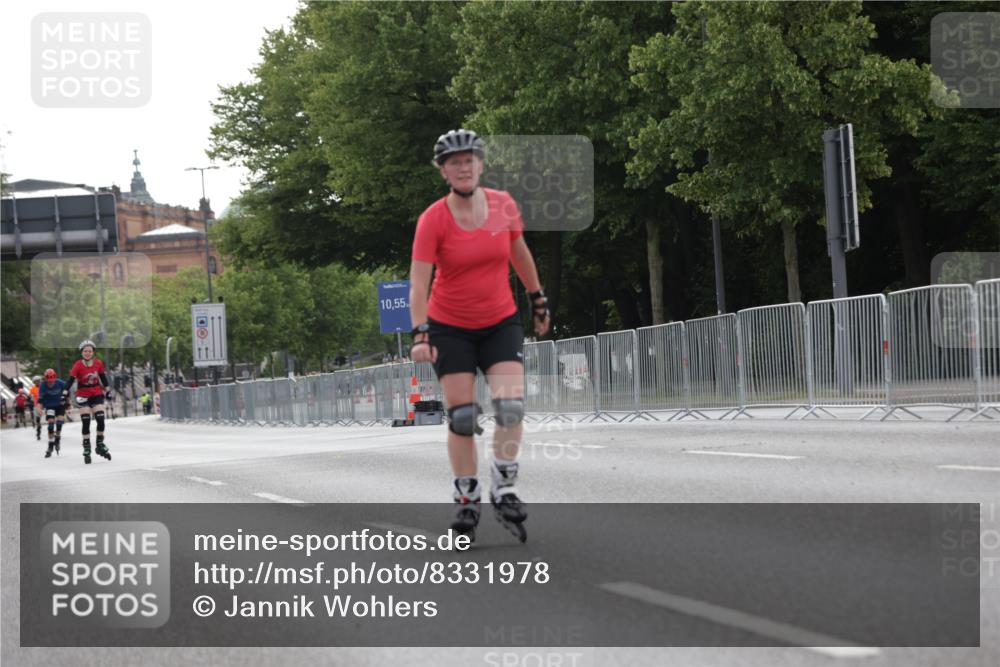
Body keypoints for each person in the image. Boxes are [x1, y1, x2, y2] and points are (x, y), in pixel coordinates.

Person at [409, 129, 551, 543]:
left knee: (510, 408)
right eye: (455, 162)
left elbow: (519, 252)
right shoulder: (433, 219)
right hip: (449, 325)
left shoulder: (504, 205)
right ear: (443, 172)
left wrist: (537, 298)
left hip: (499, 320)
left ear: (481, 164)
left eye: (470, 159)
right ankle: (467, 497)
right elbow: (419, 283)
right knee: (463, 417)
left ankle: (504, 486)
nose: (464, 166)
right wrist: (421, 332)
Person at [63, 340, 113, 464]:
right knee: (86, 421)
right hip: (82, 395)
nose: (87, 353)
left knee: (100, 419)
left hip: (96, 393)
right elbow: (70, 380)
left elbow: (103, 378)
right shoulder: (78, 365)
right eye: (85, 351)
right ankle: (87, 447)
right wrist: (64, 393)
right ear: (82, 352)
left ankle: (100, 444)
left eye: (90, 351)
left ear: (93, 352)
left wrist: (108, 391)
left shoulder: (98, 363)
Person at [38, 369, 67, 457]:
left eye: (52, 381)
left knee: (59, 422)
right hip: (49, 406)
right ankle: (50, 445)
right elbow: (40, 399)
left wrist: (67, 401)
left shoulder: (60, 383)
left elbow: (67, 390)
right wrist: (39, 408)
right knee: (50, 425)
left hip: (60, 405)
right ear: (46, 379)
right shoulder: (43, 385)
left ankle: (57, 437)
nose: (51, 383)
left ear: (55, 378)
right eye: (49, 381)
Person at [29, 375, 43, 440]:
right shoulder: (33, 389)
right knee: (38, 420)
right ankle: (38, 432)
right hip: (37, 405)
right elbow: (30, 396)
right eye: (36, 381)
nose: (37, 382)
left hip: (45, 404)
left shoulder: (43, 387)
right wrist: (30, 400)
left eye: (38, 381)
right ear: (34, 382)